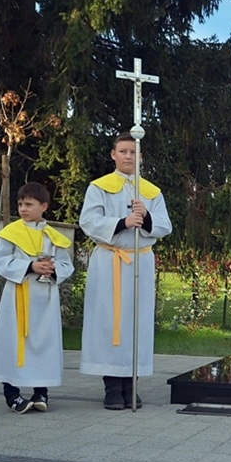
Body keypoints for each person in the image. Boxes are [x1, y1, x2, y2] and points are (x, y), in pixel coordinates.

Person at [79, 132, 173, 410]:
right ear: (113, 155)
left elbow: (165, 226)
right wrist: (121, 222)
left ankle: (131, 385)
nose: (128, 156)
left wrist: (145, 218)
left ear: (140, 156)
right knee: (109, 322)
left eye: (133, 152)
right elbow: (88, 220)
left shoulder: (151, 191)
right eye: (123, 151)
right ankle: (111, 387)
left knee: (136, 323)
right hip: (109, 261)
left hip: (139, 261)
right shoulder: (98, 187)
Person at [0, 182, 74, 413]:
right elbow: (1, 260)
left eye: (29, 204)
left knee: (44, 342)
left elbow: (66, 264)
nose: (23, 208)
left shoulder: (53, 237)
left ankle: (41, 391)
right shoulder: (11, 233)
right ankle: (11, 393)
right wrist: (30, 266)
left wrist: (53, 270)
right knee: (12, 342)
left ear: (43, 206)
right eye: (21, 204)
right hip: (18, 297)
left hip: (45, 299)